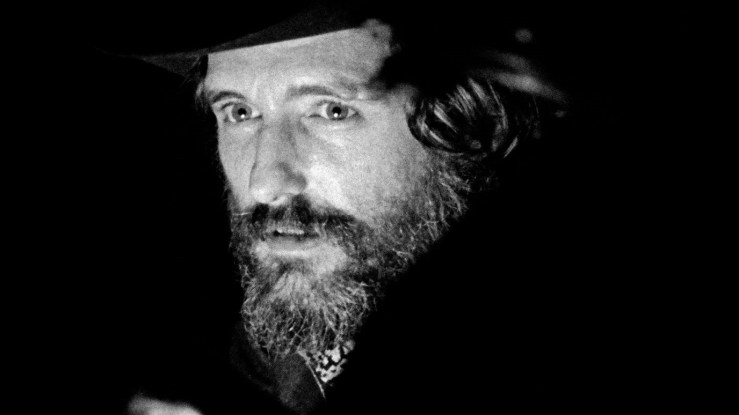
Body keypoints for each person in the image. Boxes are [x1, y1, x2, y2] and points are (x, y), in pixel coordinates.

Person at [87, 2, 628, 414]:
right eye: (240, 113)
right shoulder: (282, 349)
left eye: (331, 110)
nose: (266, 181)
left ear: (464, 121)